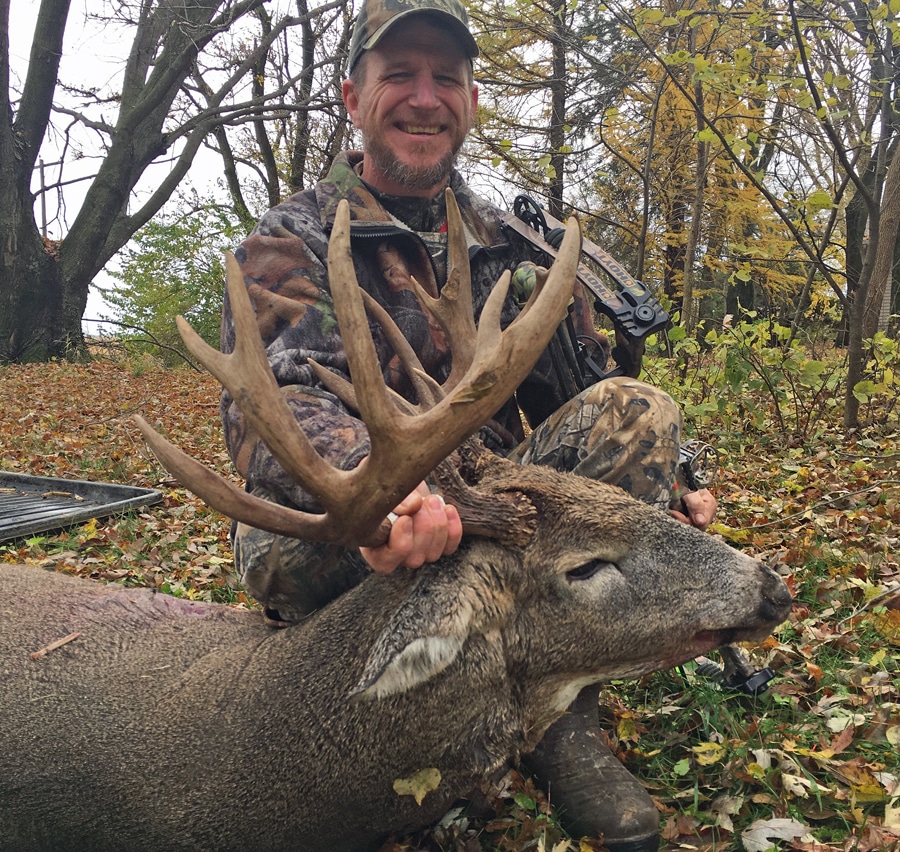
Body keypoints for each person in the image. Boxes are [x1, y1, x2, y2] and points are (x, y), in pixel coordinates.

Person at [220, 0, 717, 848]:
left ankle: (559, 719)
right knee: (297, 550)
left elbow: (585, 384)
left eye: (445, 78)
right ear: (352, 96)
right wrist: (387, 495)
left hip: (490, 503)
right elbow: (276, 413)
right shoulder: (287, 241)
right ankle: (406, 727)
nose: (424, 97)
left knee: (641, 415)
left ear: (472, 101)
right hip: (350, 517)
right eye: (398, 76)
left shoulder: (510, 241)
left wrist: (672, 475)